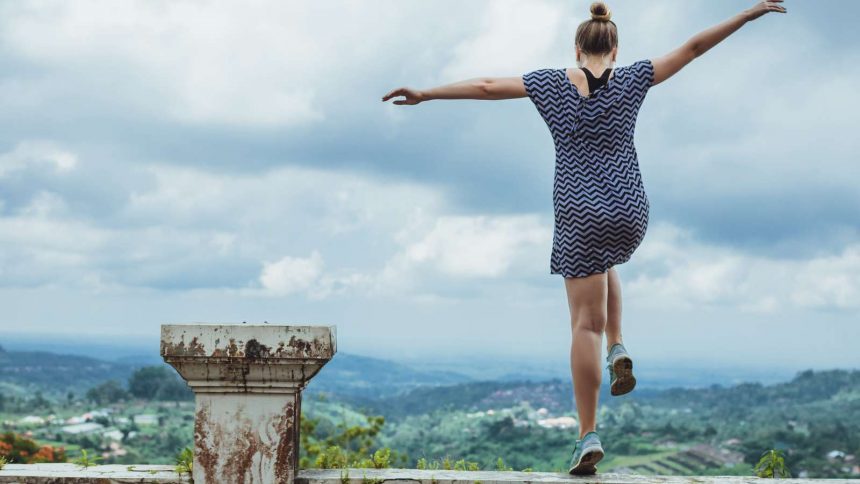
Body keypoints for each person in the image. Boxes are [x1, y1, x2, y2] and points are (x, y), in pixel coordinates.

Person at [381, 0, 786, 475]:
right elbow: (694, 48)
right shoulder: (635, 78)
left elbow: (489, 86)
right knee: (608, 258)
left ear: (577, 48)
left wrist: (427, 93)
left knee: (582, 325)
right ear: (615, 49)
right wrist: (745, 15)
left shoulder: (552, 84)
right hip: (629, 207)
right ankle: (618, 345)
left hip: (579, 210)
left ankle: (587, 433)